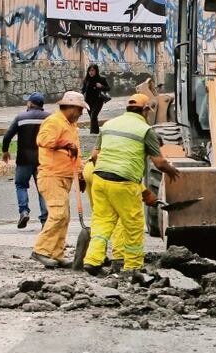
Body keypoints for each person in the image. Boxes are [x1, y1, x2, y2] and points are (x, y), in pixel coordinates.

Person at [82, 94, 181, 277]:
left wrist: (138, 188)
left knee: (102, 223)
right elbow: (159, 163)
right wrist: (172, 171)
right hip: (124, 182)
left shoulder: (109, 124)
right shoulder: (145, 130)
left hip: (100, 179)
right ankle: (133, 266)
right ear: (145, 111)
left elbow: (95, 156)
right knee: (133, 224)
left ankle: (92, 261)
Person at [31, 91, 88, 269]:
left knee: (64, 217)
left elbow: (75, 155)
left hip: (64, 176)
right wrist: (64, 144)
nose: (81, 114)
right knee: (58, 214)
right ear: (71, 108)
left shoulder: (71, 125)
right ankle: (41, 250)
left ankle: (56, 253)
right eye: (80, 110)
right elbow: (43, 139)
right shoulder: (54, 121)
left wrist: (80, 174)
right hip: (51, 175)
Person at [2, 92, 51, 229]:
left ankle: (24, 211)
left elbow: (7, 136)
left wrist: (5, 151)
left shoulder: (21, 117)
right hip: (42, 159)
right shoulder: (49, 118)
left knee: (21, 185)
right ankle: (45, 219)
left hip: (23, 159)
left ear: (30, 103)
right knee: (43, 189)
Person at [81, 64, 109, 134]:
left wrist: (101, 86)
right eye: (89, 71)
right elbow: (83, 90)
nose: (91, 72)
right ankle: (96, 132)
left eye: (92, 70)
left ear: (96, 71)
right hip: (88, 102)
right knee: (93, 117)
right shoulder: (86, 80)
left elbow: (108, 88)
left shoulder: (101, 79)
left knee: (93, 116)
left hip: (98, 101)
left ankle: (92, 133)